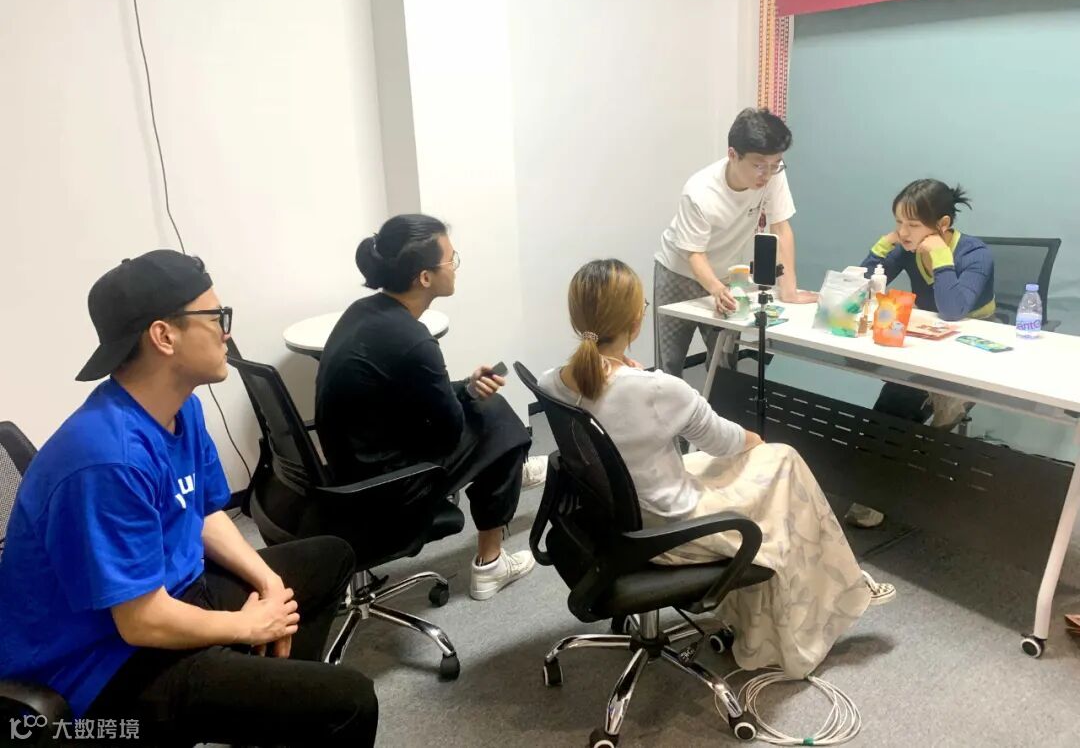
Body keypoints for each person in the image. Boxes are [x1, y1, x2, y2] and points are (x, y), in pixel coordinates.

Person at [0, 250, 378, 747]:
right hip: (102, 669)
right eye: (216, 317)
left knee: (329, 558)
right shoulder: (108, 458)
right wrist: (244, 626)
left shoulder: (183, 409)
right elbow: (140, 622)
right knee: (350, 702)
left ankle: (276, 716)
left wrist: (268, 588)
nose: (226, 333)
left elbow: (201, 512)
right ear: (164, 336)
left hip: (170, 597)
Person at [540, 259, 895, 680]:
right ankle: (831, 597)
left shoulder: (552, 382)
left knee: (757, 472)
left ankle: (821, 594)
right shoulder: (657, 389)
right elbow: (724, 441)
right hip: (669, 530)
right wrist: (756, 442)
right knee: (783, 460)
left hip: (613, 517)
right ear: (636, 321)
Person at [316, 214, 543, 602]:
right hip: (385, 488)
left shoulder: (365, 311)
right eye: (451, 260)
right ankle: (491, 563)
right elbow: (448, 432)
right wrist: (470, 400)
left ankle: (511, 471)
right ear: (425, 277)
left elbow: (409, 397)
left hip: (351, 469)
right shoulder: (414, 340)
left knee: (485, 407)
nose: (455, 267)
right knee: (498, 423)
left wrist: (465, 388)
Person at [846, 180, 996, 528]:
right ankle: (873, 488)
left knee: (909, 404)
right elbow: (859, 289)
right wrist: (882, 247)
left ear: (942, 224)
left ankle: (905, 475)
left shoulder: (976, 254)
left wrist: (941, 256)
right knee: (894, 403)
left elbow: (953, 309)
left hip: (970, 348)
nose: (903, 232)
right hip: (928, 343)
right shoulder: (906, 247)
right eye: (899, 222)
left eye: (912, 225)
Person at [654, 108, 817, 379]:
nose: (767, 174)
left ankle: (719, 405)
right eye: (759, 165)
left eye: (775, 164)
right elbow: (694, 253)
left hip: (725, 272)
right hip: (679, 272)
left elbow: (780, 228)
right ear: (733, 155)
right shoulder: (700, 191)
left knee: (724, 358)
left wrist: (788, 288)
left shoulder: (773, 176)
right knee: (670, 361)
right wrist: (716, 289)